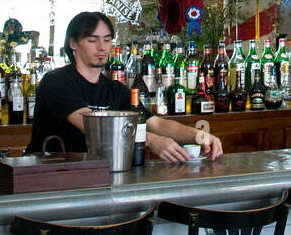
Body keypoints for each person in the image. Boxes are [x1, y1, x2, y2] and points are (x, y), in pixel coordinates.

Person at [26, 12, 222, 161]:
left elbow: (156, 123)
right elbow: (94, 125)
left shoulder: (116, 90)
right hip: (50, 175)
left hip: (97, 172)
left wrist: (198, 135)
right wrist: (150, 141)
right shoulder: (57, 81)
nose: (102, 47)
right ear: (73, 44)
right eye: (92, 40)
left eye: (107, 40)